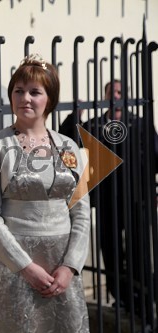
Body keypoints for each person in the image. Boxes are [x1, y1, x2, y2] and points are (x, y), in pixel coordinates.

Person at [0, 54, 91, 332]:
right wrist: (25, 267)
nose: (25, 98)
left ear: (49, 98)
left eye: (34, 92)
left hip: (61, 268)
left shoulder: (69, 147)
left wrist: (71, 267)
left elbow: (82, 210)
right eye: (18, 91)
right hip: (12, 266)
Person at [59, 80, 158, 315]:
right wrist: (75, 114)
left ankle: (143, 300)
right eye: (111, 93)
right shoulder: (95, 125)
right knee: (110, 250)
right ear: (104, 96)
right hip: (106, 200)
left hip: (137, 200)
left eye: (120, 93)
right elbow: (67, 142)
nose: (115, 97)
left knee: (139, 250)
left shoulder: (140, 124)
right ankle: (121, 298)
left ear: (127, 97)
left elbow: (156, 154)